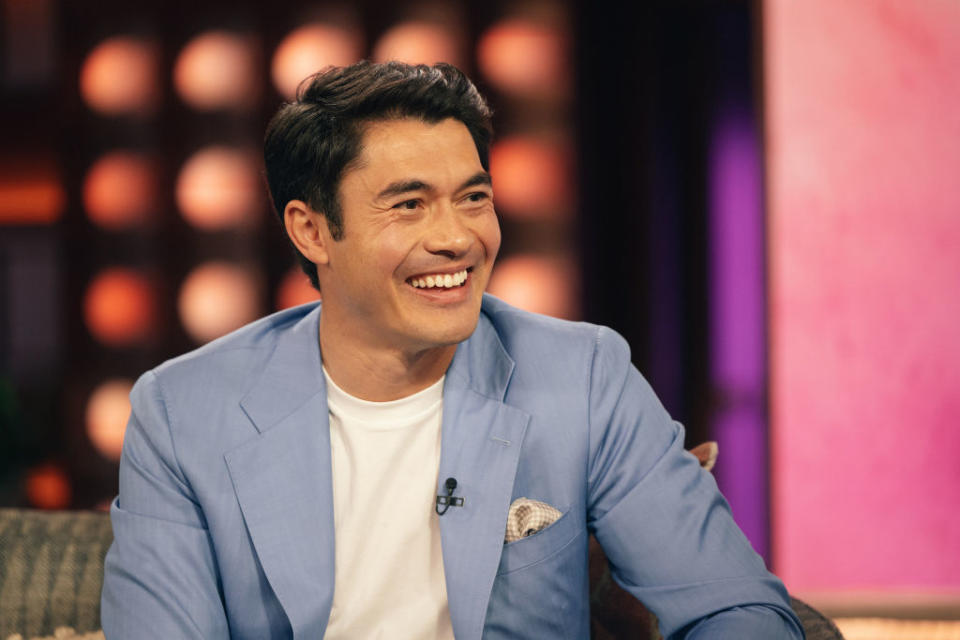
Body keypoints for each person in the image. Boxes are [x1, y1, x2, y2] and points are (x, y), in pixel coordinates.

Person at [101, 61, 804, 639]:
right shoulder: (184, 413)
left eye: (472, 198)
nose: (458, 239)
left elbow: (738, 611)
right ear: (312, 231)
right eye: (409, 205)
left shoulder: (584, 378)